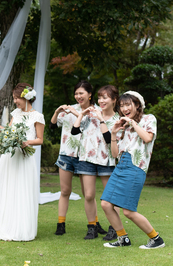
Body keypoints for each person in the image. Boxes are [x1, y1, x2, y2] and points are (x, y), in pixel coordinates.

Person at [0, 83, 44, 241]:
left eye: (17, 98)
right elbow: (9, 132)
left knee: (21, 190)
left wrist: (26, 142)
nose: (15, 101)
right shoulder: (16, 113)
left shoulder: (38, 116)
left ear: (26, 98)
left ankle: (20, 229)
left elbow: (40, 139)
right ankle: (3, 225)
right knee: (2, 187)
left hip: (24, 158)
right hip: (9, 157)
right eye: (14, 98)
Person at [101, 91, 165, 249]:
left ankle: (156, 239)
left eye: (128, 104)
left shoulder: (148, 119)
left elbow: (147, 138)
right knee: (106, 204)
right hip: (121, 165)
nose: (124, 108)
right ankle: (123, 238)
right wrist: (114, 133)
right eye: (122, 106)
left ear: (138, 105)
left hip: (135, 167)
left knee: (128, 211)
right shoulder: (121, 124)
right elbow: (115, 154)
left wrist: (133, 123)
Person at [50, 80, 107, 236]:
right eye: (76, 93)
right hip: (66, 154)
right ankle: (61, 224)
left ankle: (94, 223)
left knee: (88, 193)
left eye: (81, 93)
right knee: (65, 190)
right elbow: (53, 125)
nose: (78, 96)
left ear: (90, 94)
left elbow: (94, 126)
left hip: (86, 156)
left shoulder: (97, 111)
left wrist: (78, 114)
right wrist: (57, 112)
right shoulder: (69, 109)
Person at [71, 85, 119, 240]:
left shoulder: (117, 120)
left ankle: (114, 228)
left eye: (105, 97)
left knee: (110, 197)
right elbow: (74, 131)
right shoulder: (91, 114)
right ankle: (92, 227)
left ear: (114, 100)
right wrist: (81, 115)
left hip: (107, 160)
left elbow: (108, 140)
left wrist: (101, 119)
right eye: (100, 97)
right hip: (87, 158)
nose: (101, 101)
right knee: (89, 195)